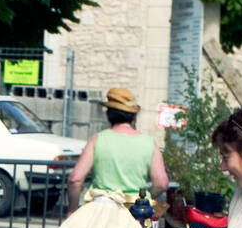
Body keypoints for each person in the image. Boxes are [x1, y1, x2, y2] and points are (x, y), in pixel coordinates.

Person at [65, 87, 169, 215]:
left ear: (109, 114)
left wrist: (72, 209)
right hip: (136, 212)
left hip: (101, 210)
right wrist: (146, 196)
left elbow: (75, 179)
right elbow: (162, 184)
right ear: (133, 116)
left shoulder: (98, 139)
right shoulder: (149, 143)